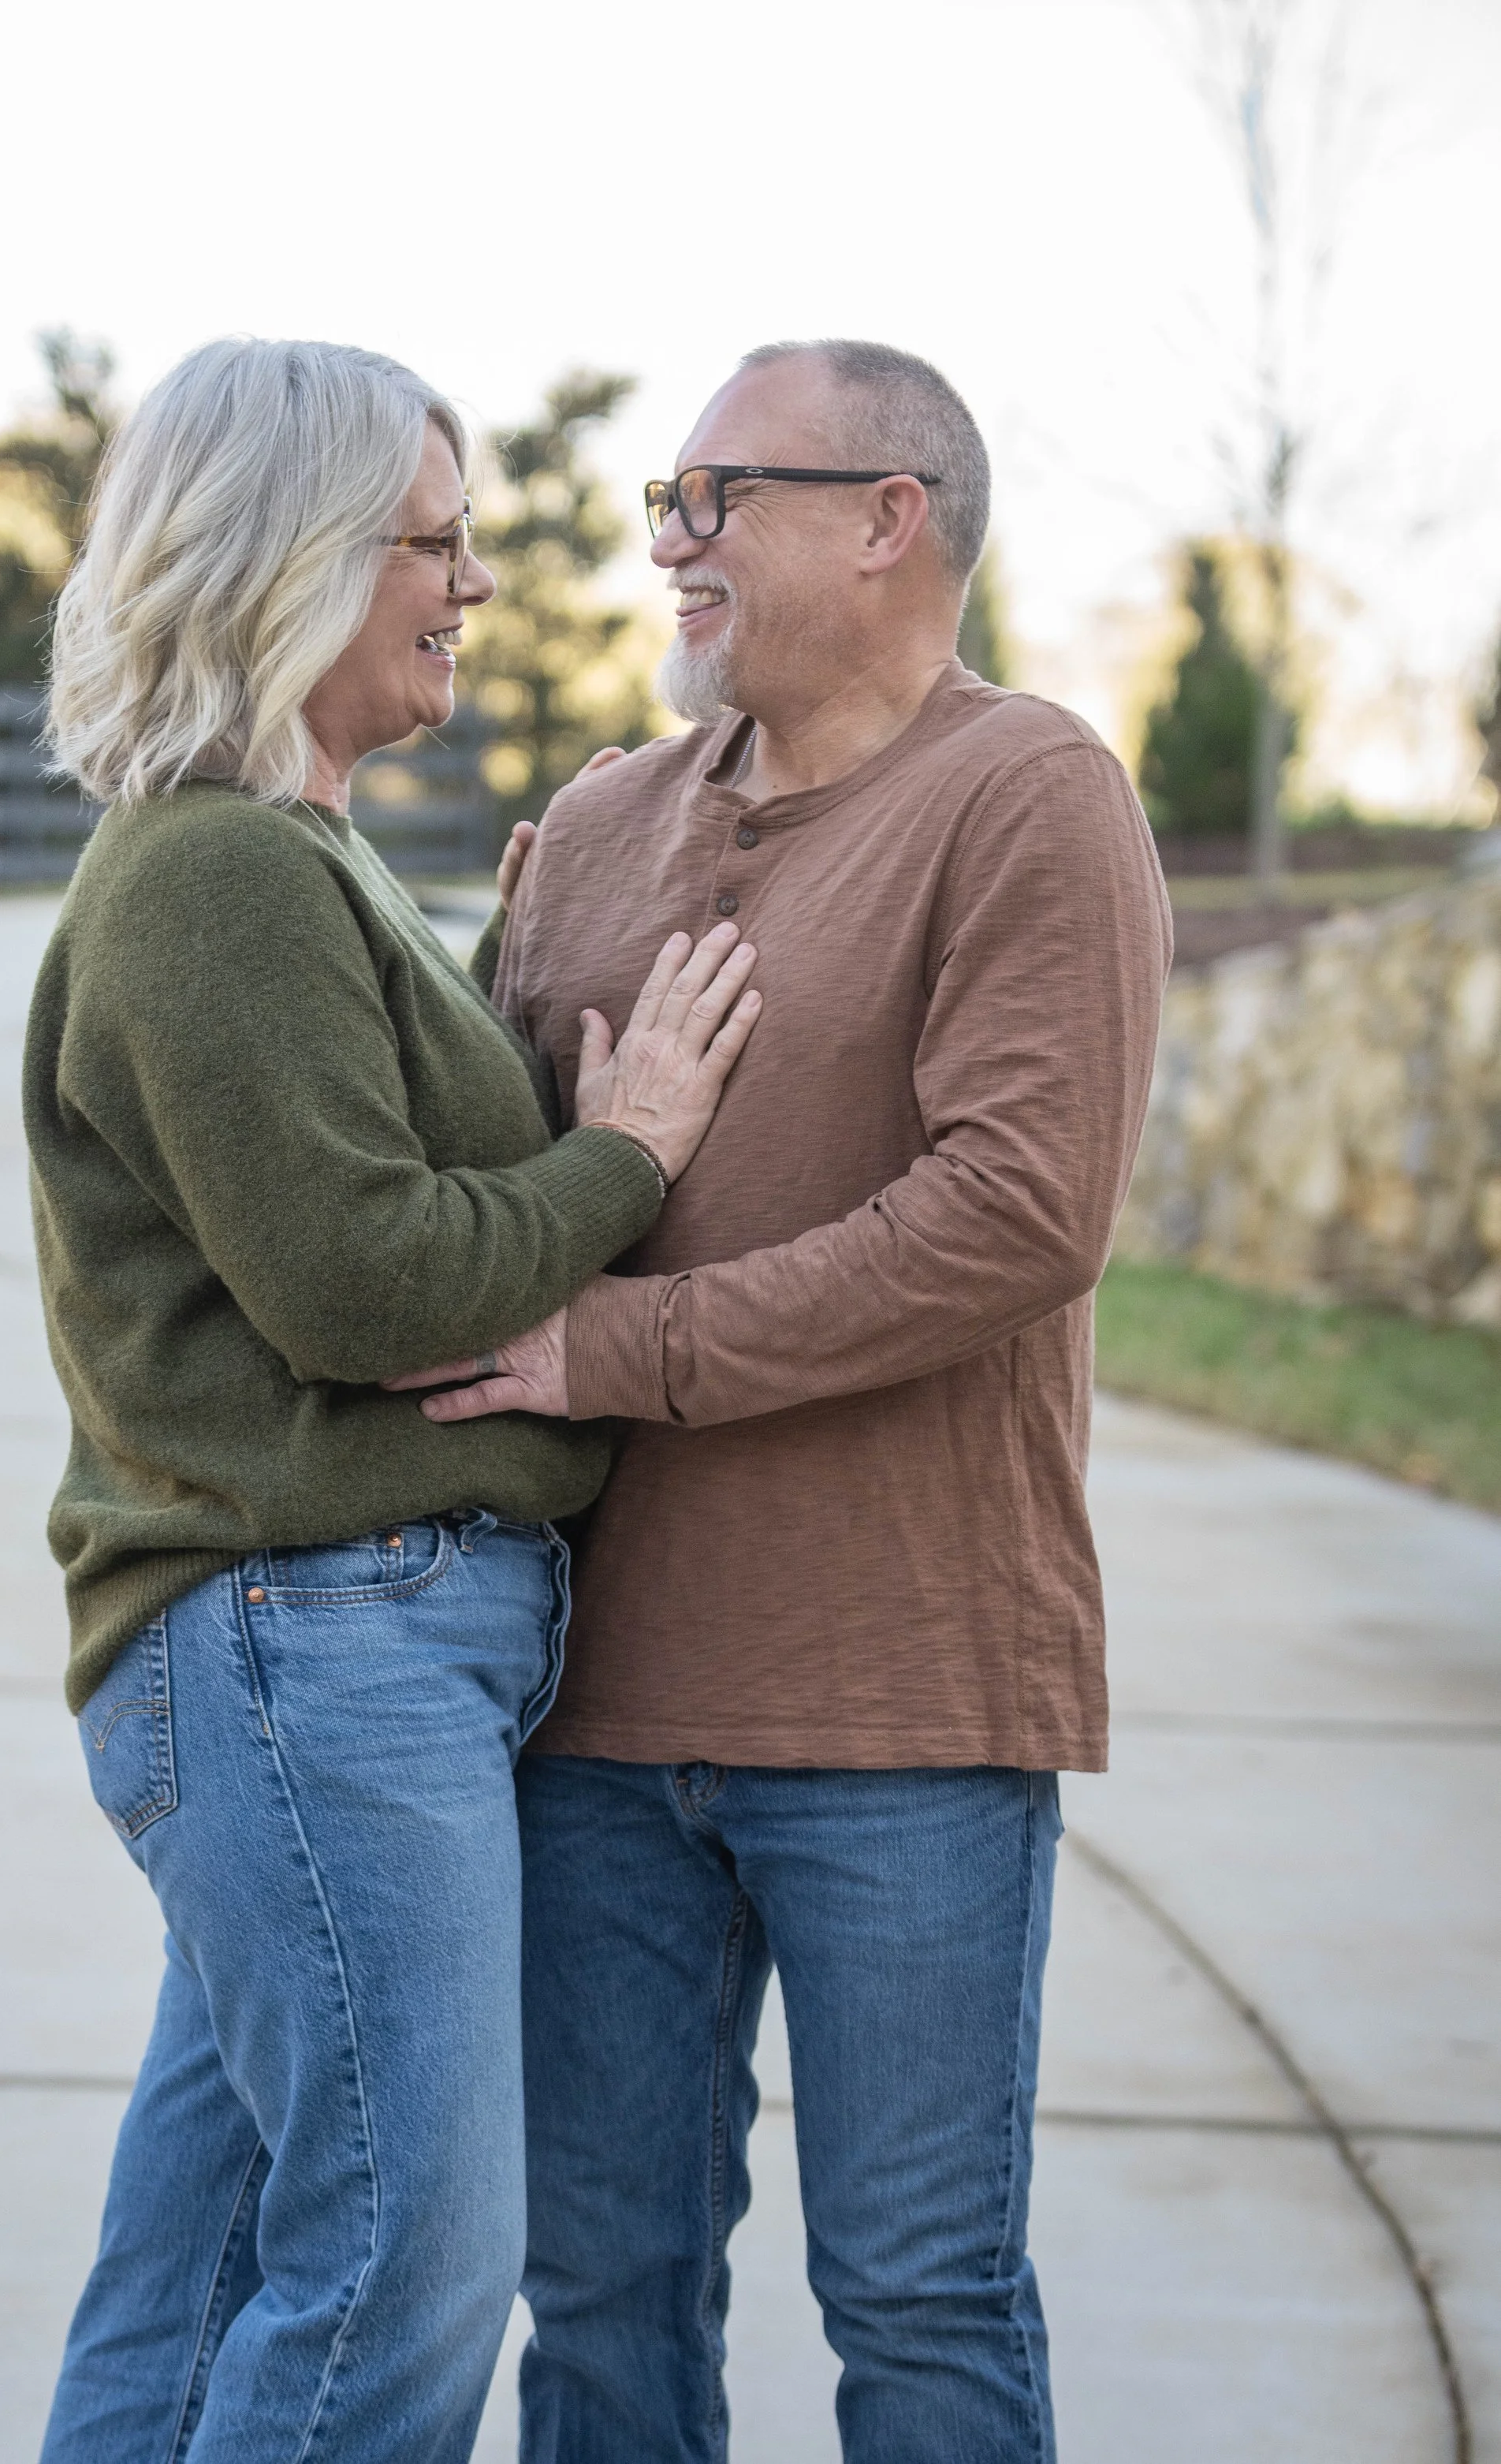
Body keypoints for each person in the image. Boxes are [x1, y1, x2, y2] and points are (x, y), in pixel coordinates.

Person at [389, 339, 1174, 2462]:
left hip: (902, 1702)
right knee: (602, 2290)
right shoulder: (597, 829)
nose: (667, 539)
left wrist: (617, 1344)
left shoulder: (1026, 797)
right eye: (665, 496)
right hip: (586, 1702)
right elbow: (459, 1186)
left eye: (712, 493)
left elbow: (1014, 1215)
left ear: (883, 514)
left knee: (913, 2296)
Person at [23, 335, 762, 2464]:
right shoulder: (216, 874)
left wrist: (496, 972)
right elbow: (361, 1278)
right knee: (398, 2269)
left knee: (198, 2279)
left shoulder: (294, 858)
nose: (471, 584)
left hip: (316, 1663)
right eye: (434, 544)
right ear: (294, 559)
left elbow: (365, 1165)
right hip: (307, 1653)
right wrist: (623, 1142)